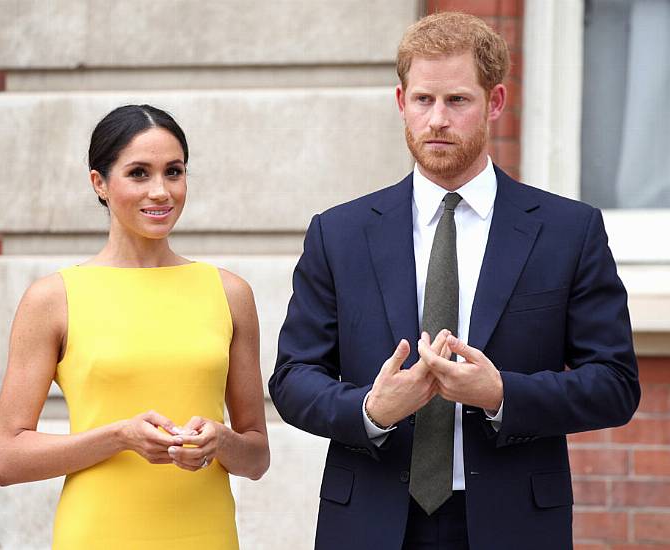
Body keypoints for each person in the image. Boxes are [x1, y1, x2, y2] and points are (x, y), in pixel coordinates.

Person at [269, 12, 640, 550]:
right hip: (369, 520)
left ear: (494, 102)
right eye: (423, 100)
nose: (437, 119)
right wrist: (372, 410)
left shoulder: (568, 231)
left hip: (514, 522)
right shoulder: (340, 233)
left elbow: (614, 383)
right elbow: (293, 378)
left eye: (457, 101)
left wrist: (501, 394)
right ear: (401, 102)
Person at [0, 104, 270, 549]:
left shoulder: (230, 293)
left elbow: (256, 457)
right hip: (99, 534)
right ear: (99, 183)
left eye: (173, 172)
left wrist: (219, 441)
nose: (161, 191)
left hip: (206, 534)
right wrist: (119, 436)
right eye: (139, 173)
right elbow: (7, 459)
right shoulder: (53, 298)